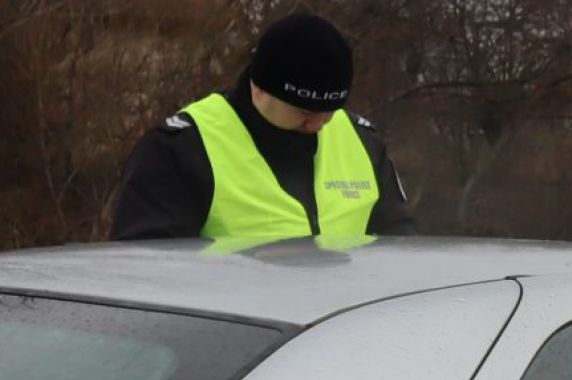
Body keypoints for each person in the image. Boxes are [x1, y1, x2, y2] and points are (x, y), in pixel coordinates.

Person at [111, 13, 414, 242]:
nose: (320, 123)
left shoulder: (361, 142)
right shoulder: (182, 147)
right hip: (236, 323)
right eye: (305, 110)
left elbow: (399, 245)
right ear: (260, 89)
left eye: (331, 110)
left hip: (344, 324)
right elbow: (146, 273)